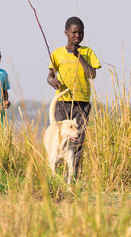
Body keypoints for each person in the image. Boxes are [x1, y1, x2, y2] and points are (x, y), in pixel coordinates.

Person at [47, 16, 100, 179]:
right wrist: (52, 81)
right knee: (59, 137)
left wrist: (78, 55)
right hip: (62, 102)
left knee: (78, 139)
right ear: (66, 33)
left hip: (82, 103)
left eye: (81, 32)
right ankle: (55, 175)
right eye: (74, 32)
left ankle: (73, 178)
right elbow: (50, 75)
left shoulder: (88, 52)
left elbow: (92, 74)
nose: (77, 36)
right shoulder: (57, 53)